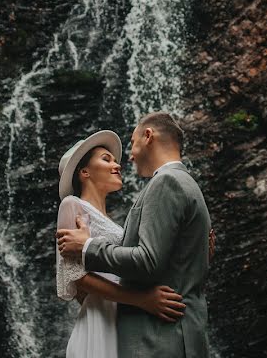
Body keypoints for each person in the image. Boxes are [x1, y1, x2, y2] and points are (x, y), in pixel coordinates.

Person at [58, 113, 213, 358]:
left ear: (148, 136)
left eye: (131, 143)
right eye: (107, 159)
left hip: (158, 334)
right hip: (119, 323)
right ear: (84, 172)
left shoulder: (166, 183)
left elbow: (147, 259)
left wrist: (87, 247)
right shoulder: (186, 184)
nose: (125, 158)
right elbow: (75, 278)